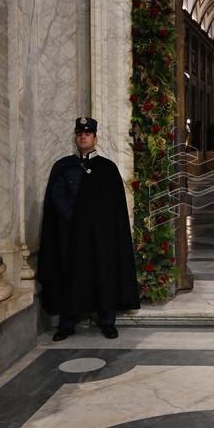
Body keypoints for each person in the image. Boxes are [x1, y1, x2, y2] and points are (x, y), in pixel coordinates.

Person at [38, 117, 140, 341]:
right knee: (69, 275)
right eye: (79, 134)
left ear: (95, 138)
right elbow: (56, 196)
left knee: (103, 274)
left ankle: (107, 322)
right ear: (76, 138)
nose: (83, 137)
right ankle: (66, 324)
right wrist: (74, 219)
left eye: (87, 134)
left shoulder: (107, 168)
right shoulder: (63, 166)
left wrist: (96, 223)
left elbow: (113, 207)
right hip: (70, 234)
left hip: (99, 236)